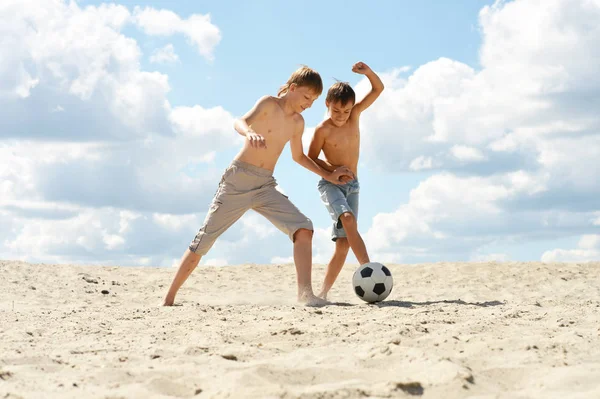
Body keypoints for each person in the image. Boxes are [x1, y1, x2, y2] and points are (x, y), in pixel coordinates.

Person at [163, 66, 353, 307]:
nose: (310, 104)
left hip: (265, 186)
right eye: (307, 97)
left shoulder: (298, 122)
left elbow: (299, 157)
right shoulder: (268, 104)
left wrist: (330, 175)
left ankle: (305, 295)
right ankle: (168, 298)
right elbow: (239, 121)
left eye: (314, 100)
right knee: (204, 240)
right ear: (293, 88)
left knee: (303, 228)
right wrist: (249, 133)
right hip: (238, 180)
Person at [307, 62, 384, 300]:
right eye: (337, 111)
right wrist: (332, 169)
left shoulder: (355, 117)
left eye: (346, 111)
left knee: (342, 246)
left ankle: (322, 294)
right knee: (348, 220)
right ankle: (369, 269)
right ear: (327, 104)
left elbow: (377, 90)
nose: (342, 117)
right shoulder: (322, 130)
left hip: (354, 187)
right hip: (331, 185)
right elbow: (311, 158)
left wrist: (368, 73)